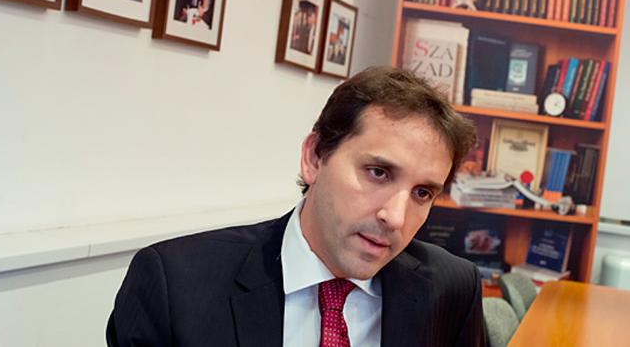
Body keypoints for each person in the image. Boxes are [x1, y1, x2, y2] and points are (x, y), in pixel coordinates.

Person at [106, 67, 485, 346]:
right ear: (315, 157)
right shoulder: (175, 285)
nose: (396, 218)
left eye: (422, 193)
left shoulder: (450, 289)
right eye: (378, 173)